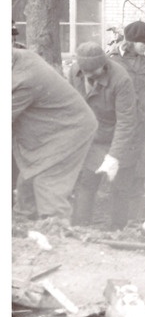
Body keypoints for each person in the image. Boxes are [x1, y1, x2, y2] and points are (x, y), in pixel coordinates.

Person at [12, 49, 98, 222]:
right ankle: (23, 229)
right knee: (26, 183)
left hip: (69, 131)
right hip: (46, 132)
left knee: (48, 182)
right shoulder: (19, 58)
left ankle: (57, 233)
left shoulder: (25, 79)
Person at [68, 42, 141, 229]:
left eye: (93, 72)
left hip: (122, 138)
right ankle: (80, 228)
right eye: (85, 72)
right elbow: (71, 107)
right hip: (93, 137)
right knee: (86, 183)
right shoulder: (75, 71)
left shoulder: (121, 79)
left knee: (120, 188)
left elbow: (126, 122)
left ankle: (118, 232)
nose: (88, 76)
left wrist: (114, 156)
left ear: (103, 64)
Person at [108, 20, 145, 218]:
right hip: (122, 123)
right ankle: (117, 217)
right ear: (130, 41)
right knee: (121, 170)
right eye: (143, 43)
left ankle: (136, 219)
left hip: (143, 124)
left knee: (142, 169)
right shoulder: (113, 60)